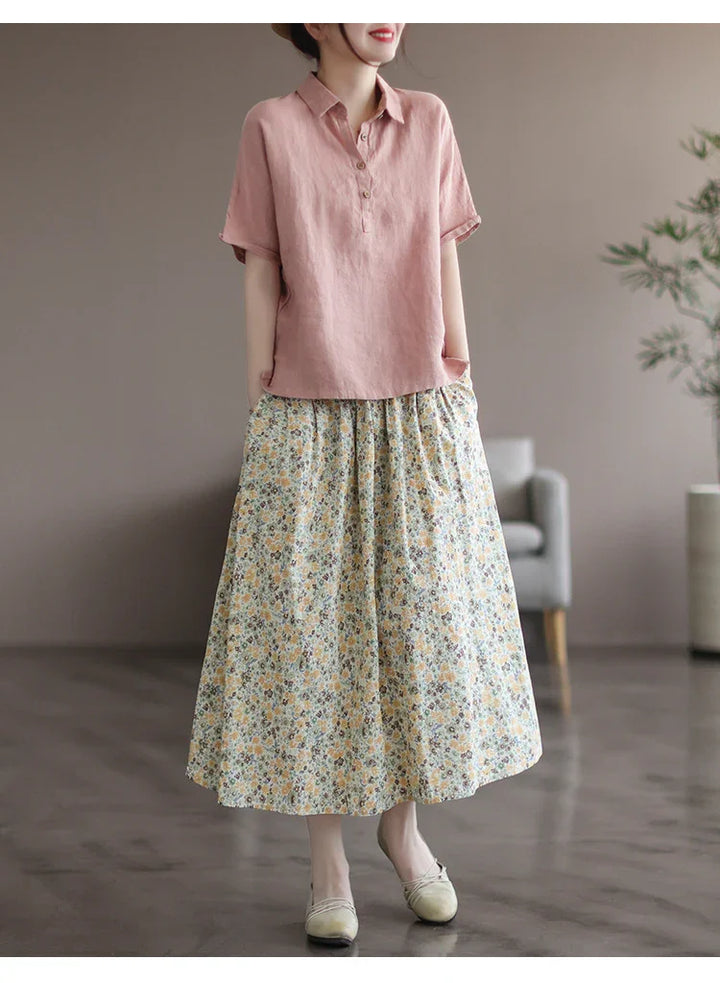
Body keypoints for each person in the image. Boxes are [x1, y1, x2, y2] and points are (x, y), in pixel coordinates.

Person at [185, 22, 543, 947]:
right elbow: (262, 265)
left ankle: (405, 827)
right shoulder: (269, 125)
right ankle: (328, 861)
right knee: (317, 636)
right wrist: (263, 387)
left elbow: (444, 250)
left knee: (419, 625)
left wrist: (460, 371)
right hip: (308, 408)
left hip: (421, 406)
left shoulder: (430, 119)